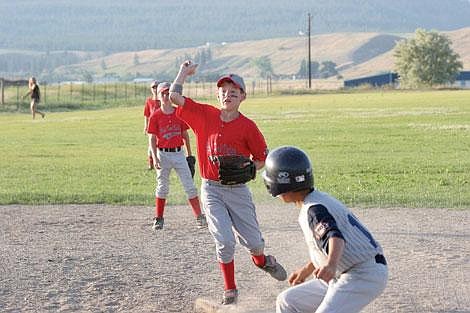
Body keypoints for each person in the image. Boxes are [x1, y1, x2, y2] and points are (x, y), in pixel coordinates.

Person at [169, 60, 287, 305]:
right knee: (224, 241)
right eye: (223, 92)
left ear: (243, 96)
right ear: (218, 95)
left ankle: (262, 261)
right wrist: (183, 72)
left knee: (254, 243)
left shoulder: (248, 126)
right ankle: (230, 289)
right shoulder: (204, 115)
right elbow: (173, 97)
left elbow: (262, 157)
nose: (227, 95)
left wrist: (248, 170)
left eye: (233, 92)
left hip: (237, 191)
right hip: (211, 189)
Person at [262, 146, 388, 313]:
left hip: (363, 274)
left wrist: (330, 265)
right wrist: (307, 270)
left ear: (281, 187)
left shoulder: (314, 209)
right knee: (287, 301)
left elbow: (335, 238)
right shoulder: (315, 201)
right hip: (344, 273)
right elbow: (324, 245)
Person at [147, 81, 207, 230]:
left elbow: (185, 135)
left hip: (179, 153)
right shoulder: (155, 116)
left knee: (190, 186)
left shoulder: (178, 112)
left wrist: (189, 155)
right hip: (163, 154)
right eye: (163, 93)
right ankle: (159, 218)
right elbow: (152, 139)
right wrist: (154, 158)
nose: (166, 96)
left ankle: (199, 217)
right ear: (159, 97)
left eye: (168, 93)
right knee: (162, 187)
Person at [143, 80, 161, 170]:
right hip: (152, 127)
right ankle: (151, 163)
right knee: (151, 146)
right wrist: (145, 126)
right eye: (153, 87)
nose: (155, 88)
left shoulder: (163, 100)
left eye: (157, 86)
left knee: (161, 145)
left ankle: (161, 161)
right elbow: (146, 115)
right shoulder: (149, 101)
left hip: (162, 127)